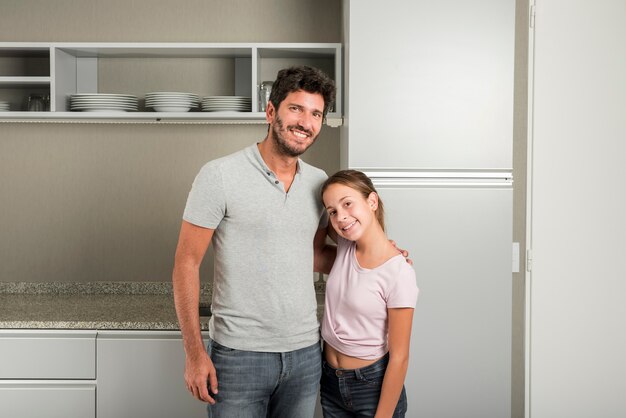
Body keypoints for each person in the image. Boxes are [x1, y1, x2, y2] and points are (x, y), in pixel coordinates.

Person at [172, 65, 338, 418]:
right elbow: (186, 263)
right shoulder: (219, 175)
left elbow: (315, 255)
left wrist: (378, 258)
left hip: (306, 354)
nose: (305, 122)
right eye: (296, 108)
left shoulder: (320, 183)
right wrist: (194, 353)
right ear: (271, 111)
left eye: (316, 114)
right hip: (238, 356)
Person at [319, 170, 419, 418]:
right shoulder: (345, 246)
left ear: (372, 202)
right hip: (330, 383)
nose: (341, 217)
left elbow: (400, 357)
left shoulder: (398, 272)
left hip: (372, 387)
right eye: (332, 211)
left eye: (348, 204)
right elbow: (311, 245)